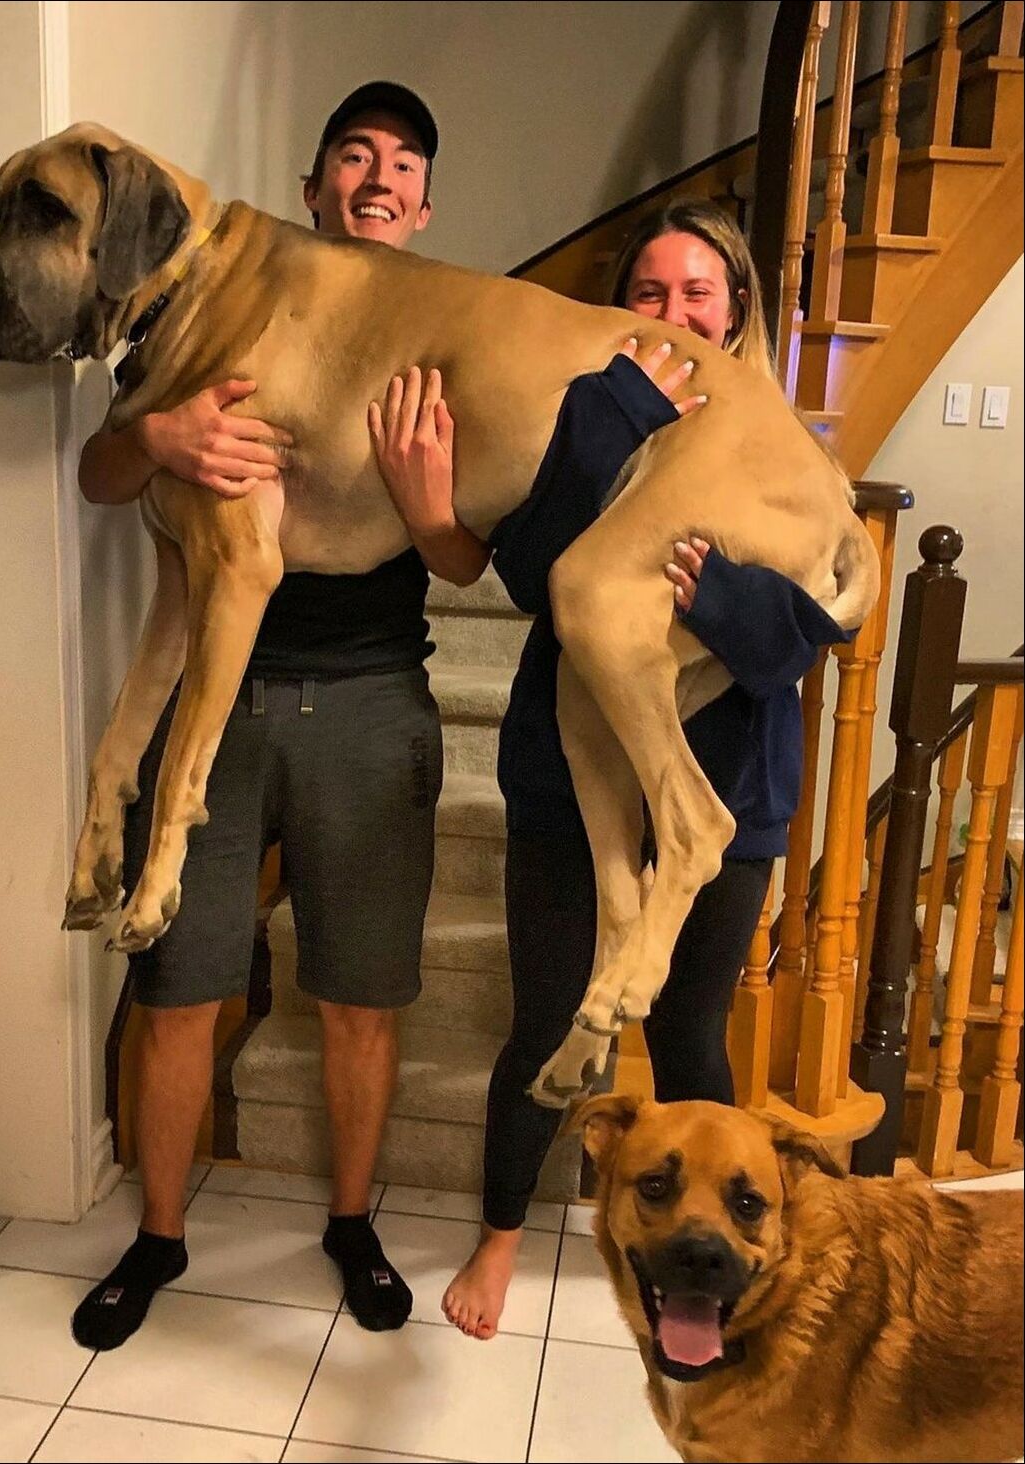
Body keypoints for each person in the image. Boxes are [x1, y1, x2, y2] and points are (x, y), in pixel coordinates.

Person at [371, 199, 852, 1343]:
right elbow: (536, 578)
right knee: (545, 1021)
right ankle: (500, 1234)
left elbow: (786, 651)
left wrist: (717, 597)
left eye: (696, 293)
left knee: (686, 1034)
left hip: (726, 786)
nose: (672, 311)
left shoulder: (786, 454)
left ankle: (705, 1262)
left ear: (734, 313)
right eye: (648, 292)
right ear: (617, 308)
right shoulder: (585, 407)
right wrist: (610, 418)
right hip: (568, 768)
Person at [70, 82, 491, 1352]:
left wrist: (427, 504)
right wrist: (160, 432)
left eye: (403, 165)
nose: (377, 177)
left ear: (423, 208)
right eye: (353, 156)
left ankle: (351, 1225)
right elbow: (99, 475)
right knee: (177, 989)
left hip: (370, 710)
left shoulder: (443, 342)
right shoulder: (224, 317)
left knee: (361, 997)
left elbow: (467, 565)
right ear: (312, 189)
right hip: (217, 708)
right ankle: (157, 1235)